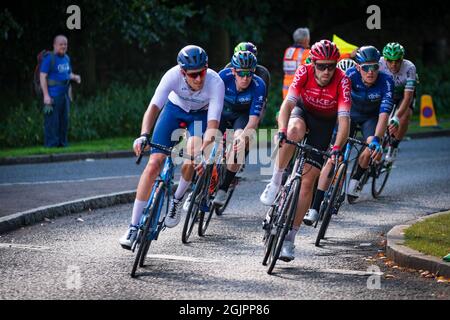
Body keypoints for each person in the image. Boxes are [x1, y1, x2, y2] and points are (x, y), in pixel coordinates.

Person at [119, 45, 225, 249]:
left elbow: (213, 125)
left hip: (200, 116)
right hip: (174, 110)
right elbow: (153, 108)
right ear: (182, 72)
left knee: (192, 154)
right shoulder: (171, 76)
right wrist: (143, 136)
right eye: (193, 75)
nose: (199, 79)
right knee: (153, 164)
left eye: (202, 73)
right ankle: (133, 226)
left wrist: (203, 154)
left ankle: (177, 199)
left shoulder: (215, 83)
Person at [260, 40, 351, 261]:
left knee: (307, 183)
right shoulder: (304, 72)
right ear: (314, 63)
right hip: (303, 112)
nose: (326, 71)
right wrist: (281, 129)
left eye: (331, 66)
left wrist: (338, 147)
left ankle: (290, 238)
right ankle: (275, 181)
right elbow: (287, 105)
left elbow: (344, 120)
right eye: (321, 66)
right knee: (292, 132)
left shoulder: (343, 81)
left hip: (324, 124)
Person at [211, 50, 266, 206]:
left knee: (239, 146)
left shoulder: (258, 85)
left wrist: (242, 138)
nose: (245, 78)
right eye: (241, 73)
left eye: (249, 73)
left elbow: (254, 120)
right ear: (233, 71)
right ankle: (197, 185)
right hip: (222, 112)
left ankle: (223, 188)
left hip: (241, 117)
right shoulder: (223, 76)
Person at [344, 46, 394, 201]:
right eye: (366, 68)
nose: (371, 72)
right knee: (337, 149)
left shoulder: (386, 81)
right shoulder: (350, 75)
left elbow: (384, 113)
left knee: (371, 146)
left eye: (375, 67)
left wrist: (378, 139)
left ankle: (356, 180)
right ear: (358, 67)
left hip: (370, 118)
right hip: (350, 114)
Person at [39, 35, 81, 147]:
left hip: (64, 96)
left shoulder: (66, 58)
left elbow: (67, 73)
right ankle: (51, 145)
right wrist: (46, 96)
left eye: (65, 44)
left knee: (64, 120)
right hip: (52, 96)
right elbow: (42, 76)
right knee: (52, 122)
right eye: (61, 44)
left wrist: (75, 77)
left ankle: (63, 143)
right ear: (54, 45)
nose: (63, 46)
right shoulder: (49, 58)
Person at [379, 42, 417, 162]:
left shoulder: (409, 67)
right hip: (387, 92)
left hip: (403, 94)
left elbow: (408, 97)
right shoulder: (379, 63)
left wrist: (396, 117)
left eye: (397, 61)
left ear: (402, 59)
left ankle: (394, 145)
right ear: (385, 59)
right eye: (390, 61)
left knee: (405, 115)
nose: (393, 64)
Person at [282, 28, 311, 99]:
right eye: (308, 38)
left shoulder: (288, 51)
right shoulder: (306, 53)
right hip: (298, 93)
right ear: (305, 40)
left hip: (286, 92)